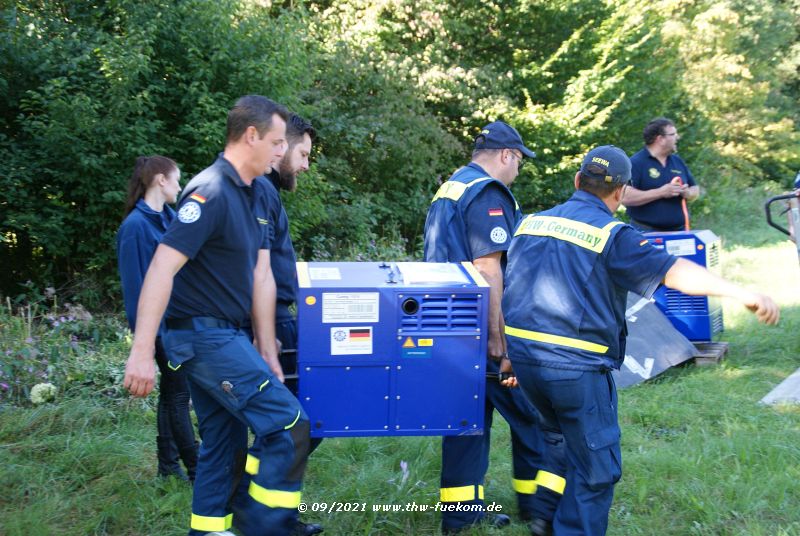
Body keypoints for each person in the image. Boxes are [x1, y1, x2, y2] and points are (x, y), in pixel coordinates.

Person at [503, 145, 779, 535]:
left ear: (577, 180)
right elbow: (674, 272)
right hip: (575, 369)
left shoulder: (531, 223)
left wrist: (510, 353)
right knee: (596, 469)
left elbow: (511, 286)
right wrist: (741, 293)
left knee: (559, 440)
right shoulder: (612, 234)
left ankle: (545, 517)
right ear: (620, 193)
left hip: (526, 361)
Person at [123, 96, 311, 536]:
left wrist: (266, 347)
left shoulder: (255, 193)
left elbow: (263, 275)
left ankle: (208, 530)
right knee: (288, 424)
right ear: (250, 136)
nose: (283, 152)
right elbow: (161, 268)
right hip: (202, 337)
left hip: (230, 335)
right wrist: (140, 353)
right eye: (277, 142)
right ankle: (266, 526)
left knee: (223, 444)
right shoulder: (211, 191)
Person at [423, 121, 559, 535]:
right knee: (534, 416)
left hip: (446, 327)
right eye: (519, 161)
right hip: (479, 332)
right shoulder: (487, 193)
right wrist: (500, 344)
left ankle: (461, 518)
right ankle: (539, 509)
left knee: (466, 423)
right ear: (506, 155)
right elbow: (487, 269)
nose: (518, 171)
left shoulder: (452, 187)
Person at [232, 113, 322, 536]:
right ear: (279, 145)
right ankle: (267, 519)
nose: (303, 164)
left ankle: (256, 502)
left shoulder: (262, 191)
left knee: (283, 425)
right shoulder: (263, 191)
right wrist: (263, 336)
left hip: (276, 320)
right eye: (301, 153)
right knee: (299, 423)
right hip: (272, 324)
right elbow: (257, 270)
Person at [117, 155, 198, 482]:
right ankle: (197, 468)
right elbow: (136, 289)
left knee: (173, 393)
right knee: (178, 394)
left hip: (181, 322)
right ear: (160, 180)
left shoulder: (171, 217)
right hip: (161, 328)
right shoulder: (135, 228)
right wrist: (144, 342)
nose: (180, 186)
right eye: (176, 179)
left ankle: (168, 467)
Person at [622, 117, 700, 231]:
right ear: (660, 139)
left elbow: (695, 189)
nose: (677, 137)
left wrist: (687, 193)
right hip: (646, 233)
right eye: (673, 134)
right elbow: (625, 197)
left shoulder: (677, 161)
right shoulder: (636, 162)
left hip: (679, 232)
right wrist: (661, 192)